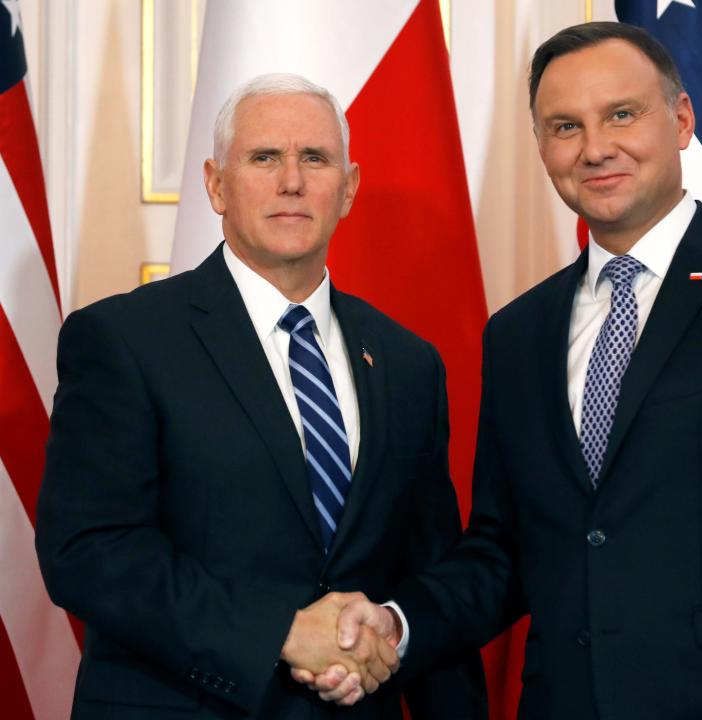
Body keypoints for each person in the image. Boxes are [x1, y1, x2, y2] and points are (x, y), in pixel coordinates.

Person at [316, 22, 702, 719]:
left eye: (621, 114)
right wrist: (396, 622)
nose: (595, 148)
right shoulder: (517, 333)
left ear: (681, 120)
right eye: (565, 126)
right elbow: (503, 552)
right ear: (542, 147)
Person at [35, 73, 485, 719]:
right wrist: (279, 632)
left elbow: (429, 570)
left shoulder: (407, 363)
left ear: (349, 187)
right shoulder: (124, 340)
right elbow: (88, 550)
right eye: (265, 157)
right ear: (216, 184)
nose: (292, 181)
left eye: (315, 158)